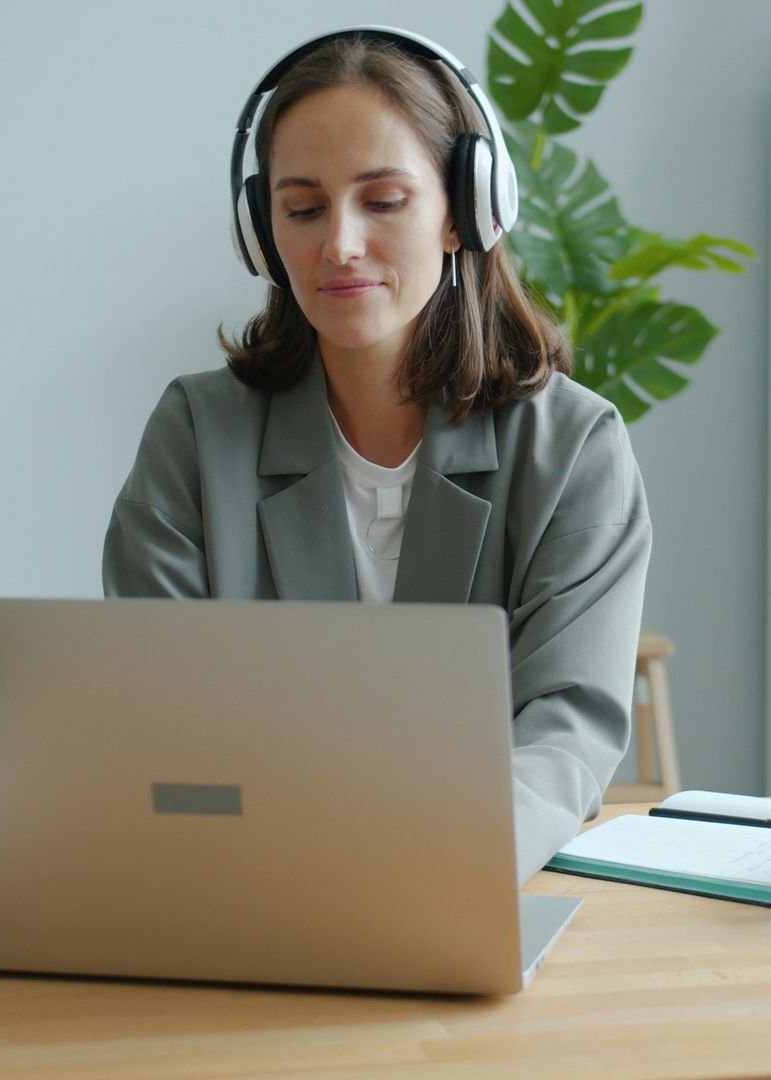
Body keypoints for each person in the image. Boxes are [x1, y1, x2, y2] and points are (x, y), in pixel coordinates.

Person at [103, 27, 651, 882]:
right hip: (251, 887)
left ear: (464, 214)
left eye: (384, 200)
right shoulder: (193, 434)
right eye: (303, 208)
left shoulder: (575, 446)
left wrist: (438, 866)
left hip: (466, 881)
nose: (340, 245)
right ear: (264, 233)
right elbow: (164, 714)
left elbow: (566, 729)